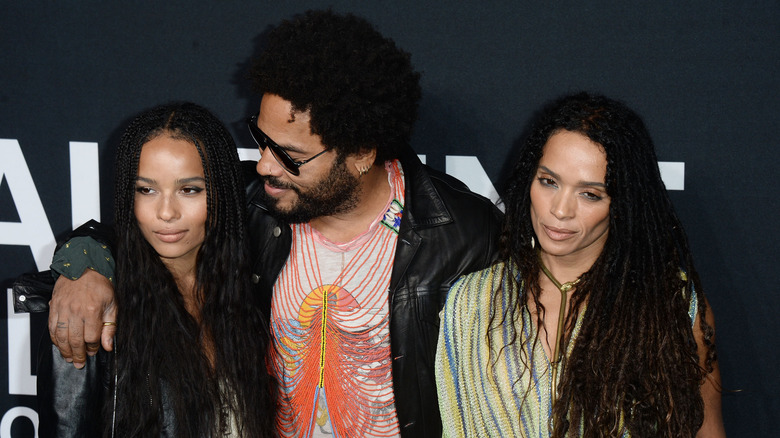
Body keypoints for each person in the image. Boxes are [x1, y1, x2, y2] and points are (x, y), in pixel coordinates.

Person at [39, 10, 502, 438]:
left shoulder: (465, 235)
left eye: (290, 156)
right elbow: (148, 230)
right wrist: (86, 265)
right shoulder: (252, 205)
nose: (264, 166)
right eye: (262, 140)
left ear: (362, 153)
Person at [436, 92, 725, 437]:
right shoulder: (471, 302)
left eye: (590, 194)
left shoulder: (672, 306)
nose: (560, 210)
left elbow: (707, 430)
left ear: (621, 204)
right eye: (549, 182)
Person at [36, 102, 275, 437]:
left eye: (189, 189)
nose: (165, 212)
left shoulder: (251, 287)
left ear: (222, 193)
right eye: (146, 190)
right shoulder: (90, 310)